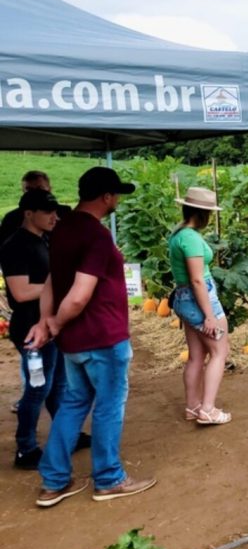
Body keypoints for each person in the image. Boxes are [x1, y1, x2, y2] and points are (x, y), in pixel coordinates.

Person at [27, 167, 156, 507]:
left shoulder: (64, 229)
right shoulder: (96, 236)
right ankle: (109, 479)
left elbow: (53, 281)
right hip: (103, 337)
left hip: (75, 342)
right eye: (116, 195)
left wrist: (47, 321)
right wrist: (54, 322)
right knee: (109, 406)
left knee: (73, 403)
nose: (117, 200)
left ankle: (54, 482)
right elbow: (80, 295)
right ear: (107, 197)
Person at [1, 190, 90, 469]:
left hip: (52, 324)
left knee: (59, 386)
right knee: (39, 388)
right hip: (30, 328)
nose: (54, 217)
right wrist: (64, 285)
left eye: (55, 211)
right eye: (47, 212)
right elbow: (21, 291)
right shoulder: (16, 246)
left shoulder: (47, 239)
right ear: (29, 214)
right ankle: (25, 448)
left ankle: (69, 434)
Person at [168, 187, 231, 425]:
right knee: (219, 352)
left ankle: (193, 406)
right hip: (200, 298)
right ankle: (208, 409)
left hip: (184, 299)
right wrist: (209, 316)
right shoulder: (192, 238)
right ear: (205, 214)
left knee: (196, 356)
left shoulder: (179, 234)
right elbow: (197, 280)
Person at [0, 170, 51, 246]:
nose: (34, 193)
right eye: (29, 189)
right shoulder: (11, 218)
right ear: (23, 191)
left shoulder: (63, 213)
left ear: (49, 189)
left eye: (39, 188)